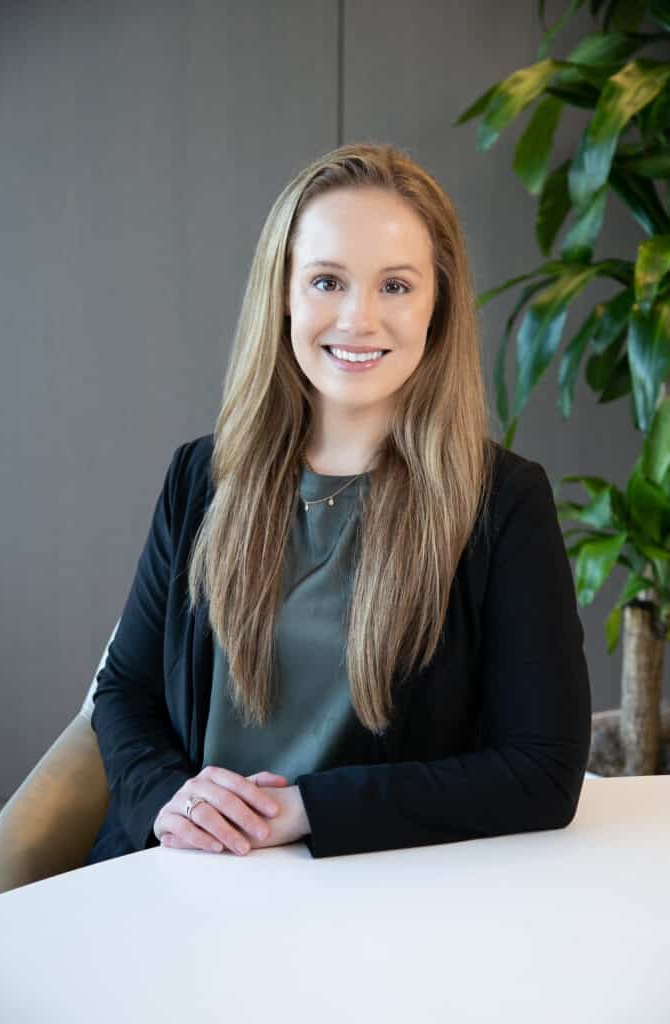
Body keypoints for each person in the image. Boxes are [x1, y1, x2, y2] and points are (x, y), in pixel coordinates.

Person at [86, 141, 591, 864]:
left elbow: (541, 770)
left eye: (395, 286)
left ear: (436, 306)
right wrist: (172, 798)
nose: (357, 319)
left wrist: (303, 811)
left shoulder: (501, 502)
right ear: (282, 293)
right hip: (177, 871)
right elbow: (125, 690)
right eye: (326, 281)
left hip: (365, 892)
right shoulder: (202, 476)